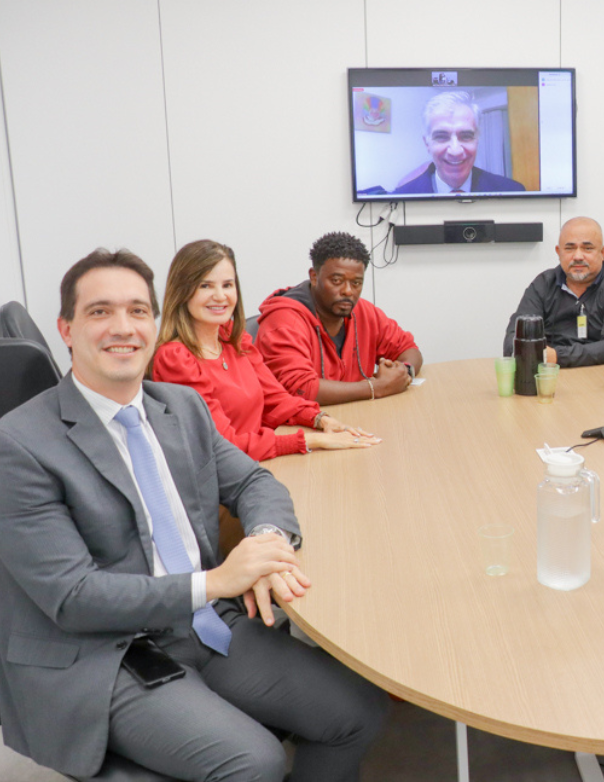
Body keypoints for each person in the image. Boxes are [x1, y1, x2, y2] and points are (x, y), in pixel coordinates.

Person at [0, 249, 389, 781]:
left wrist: (267, 543)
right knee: (256, 762)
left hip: (202, 622)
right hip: (105, 652)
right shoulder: (19, 443)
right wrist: (216, 581)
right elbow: (72, 598)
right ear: (66, 329)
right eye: (100, 312)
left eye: (138, 311)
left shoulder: (179, 407)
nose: (123, 327)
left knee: (357, 712)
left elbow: (254, 481)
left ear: (155, 323)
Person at [151, 240, 381, 461]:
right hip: (223, 481)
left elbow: (275, 399)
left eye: (227, 285)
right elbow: (224, 445)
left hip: (257, 462)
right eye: (205, 285)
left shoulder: (233, 338)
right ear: (182, 292)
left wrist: (321, 419)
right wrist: (311, 441)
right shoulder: (176, 358)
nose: (220, 296)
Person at [257, 231, 423, 405]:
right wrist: (377, 387)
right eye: (337, 281)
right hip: (297, 426)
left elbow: (407, 348)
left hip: (350, 419)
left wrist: (403, 372)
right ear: (314, 276)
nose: (348, 291)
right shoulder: (284, 321)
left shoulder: (363, 311)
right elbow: (301, 389)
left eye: (356, 283)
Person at [503, 216, 604, 367]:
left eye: (587, 248)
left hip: (600, 376)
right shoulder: (543, 284)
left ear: (603, 252)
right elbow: (514, 337)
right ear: (558, 251)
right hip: (549, 374)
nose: (578, 256)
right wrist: (535, 354)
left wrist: (556, 356)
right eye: (569, 248)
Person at [391, 90, 526, 195]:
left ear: (477, 140)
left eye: (466, 136)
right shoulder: (401, 198)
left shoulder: (512, 191)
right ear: (427, 144)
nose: (455, 151)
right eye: (441, 137)